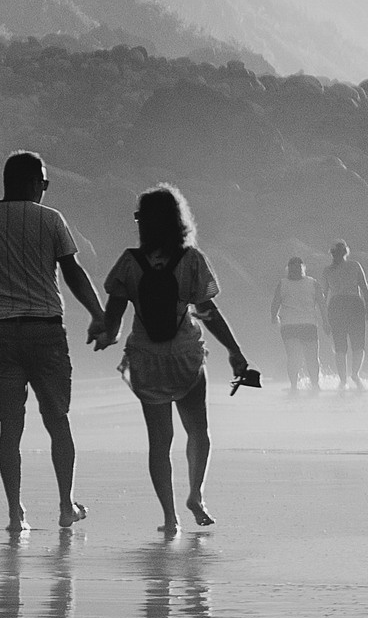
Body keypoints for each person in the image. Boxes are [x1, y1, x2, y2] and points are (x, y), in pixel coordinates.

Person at [93, 184, 259, 535]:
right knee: (198, 430)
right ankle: (196, 495)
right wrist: (234, 350)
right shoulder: (191, 260)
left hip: (146, 361)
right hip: (184, 356)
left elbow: (114, 316)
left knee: (159, 441)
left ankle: (170, 518)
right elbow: (207, 311)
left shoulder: (129, 262)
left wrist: (106, 334)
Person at [0, 148, 106, 538]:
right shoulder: (51, 220)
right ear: (30, 182)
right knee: (57, 419)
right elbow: (72, 272)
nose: (45, 187)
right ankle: (65, 505)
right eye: (43, 181)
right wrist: (98, 313)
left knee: (10, 427)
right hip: (45, 331)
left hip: (2, 333)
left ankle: (15, 512)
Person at [272, 251, 325, 393]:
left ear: (302, 268)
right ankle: (306, 385)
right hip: (298, 325)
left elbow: (321, 303)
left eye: (297, 268)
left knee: (303, 357)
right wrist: (274, 317)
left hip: (300, 325)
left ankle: (303, 385)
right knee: (304, 357)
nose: (295, 271)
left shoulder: (310, 283)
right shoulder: (288, 283)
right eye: (293, 268)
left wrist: (274, 317)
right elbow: (275, 303)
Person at [324, 239, 368, 390]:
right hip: (341, 305)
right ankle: (345, 379)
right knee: (343, 345)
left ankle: (352, 376)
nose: (338, 255)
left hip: (350, 304)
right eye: (336, 253)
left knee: (355, 344)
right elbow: (324, 295)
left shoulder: (353, 265)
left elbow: (364, 287)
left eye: (339, 252)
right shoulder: (329, 270)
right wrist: (325, 318)